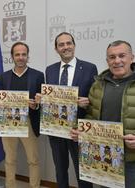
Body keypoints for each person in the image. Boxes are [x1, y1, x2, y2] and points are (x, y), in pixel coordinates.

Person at [71, 40, 135, 188]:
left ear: (132, 58)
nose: (117, 61)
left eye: (122, 56)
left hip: (131, 160)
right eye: (112, 57)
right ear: (107, 61)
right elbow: (90, 116)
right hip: (105, 159)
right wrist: (81, 131)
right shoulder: (98, 85)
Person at [43, 32, 98, 188]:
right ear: (56, 49)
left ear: (74, 45)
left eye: (69, 43)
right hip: (56, 129)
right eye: (61, 44)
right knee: (60, 170)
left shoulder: (89, 68)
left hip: (79, 131)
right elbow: (51, 98)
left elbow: (97, 98)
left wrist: (88, 102)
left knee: (83, 172)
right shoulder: (50, 70)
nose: (65, 47)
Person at [0, 42, 44, 188]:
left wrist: (36, 104)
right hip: (8, 122)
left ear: (27, 56)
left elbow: (43, 101)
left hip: (29, 122)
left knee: (33, 160)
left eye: (23, 54)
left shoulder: (38, 75)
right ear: (12, 57)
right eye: (17, 54)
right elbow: (1, 99)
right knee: (10, 159)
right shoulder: (4, 77)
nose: (21, 57)